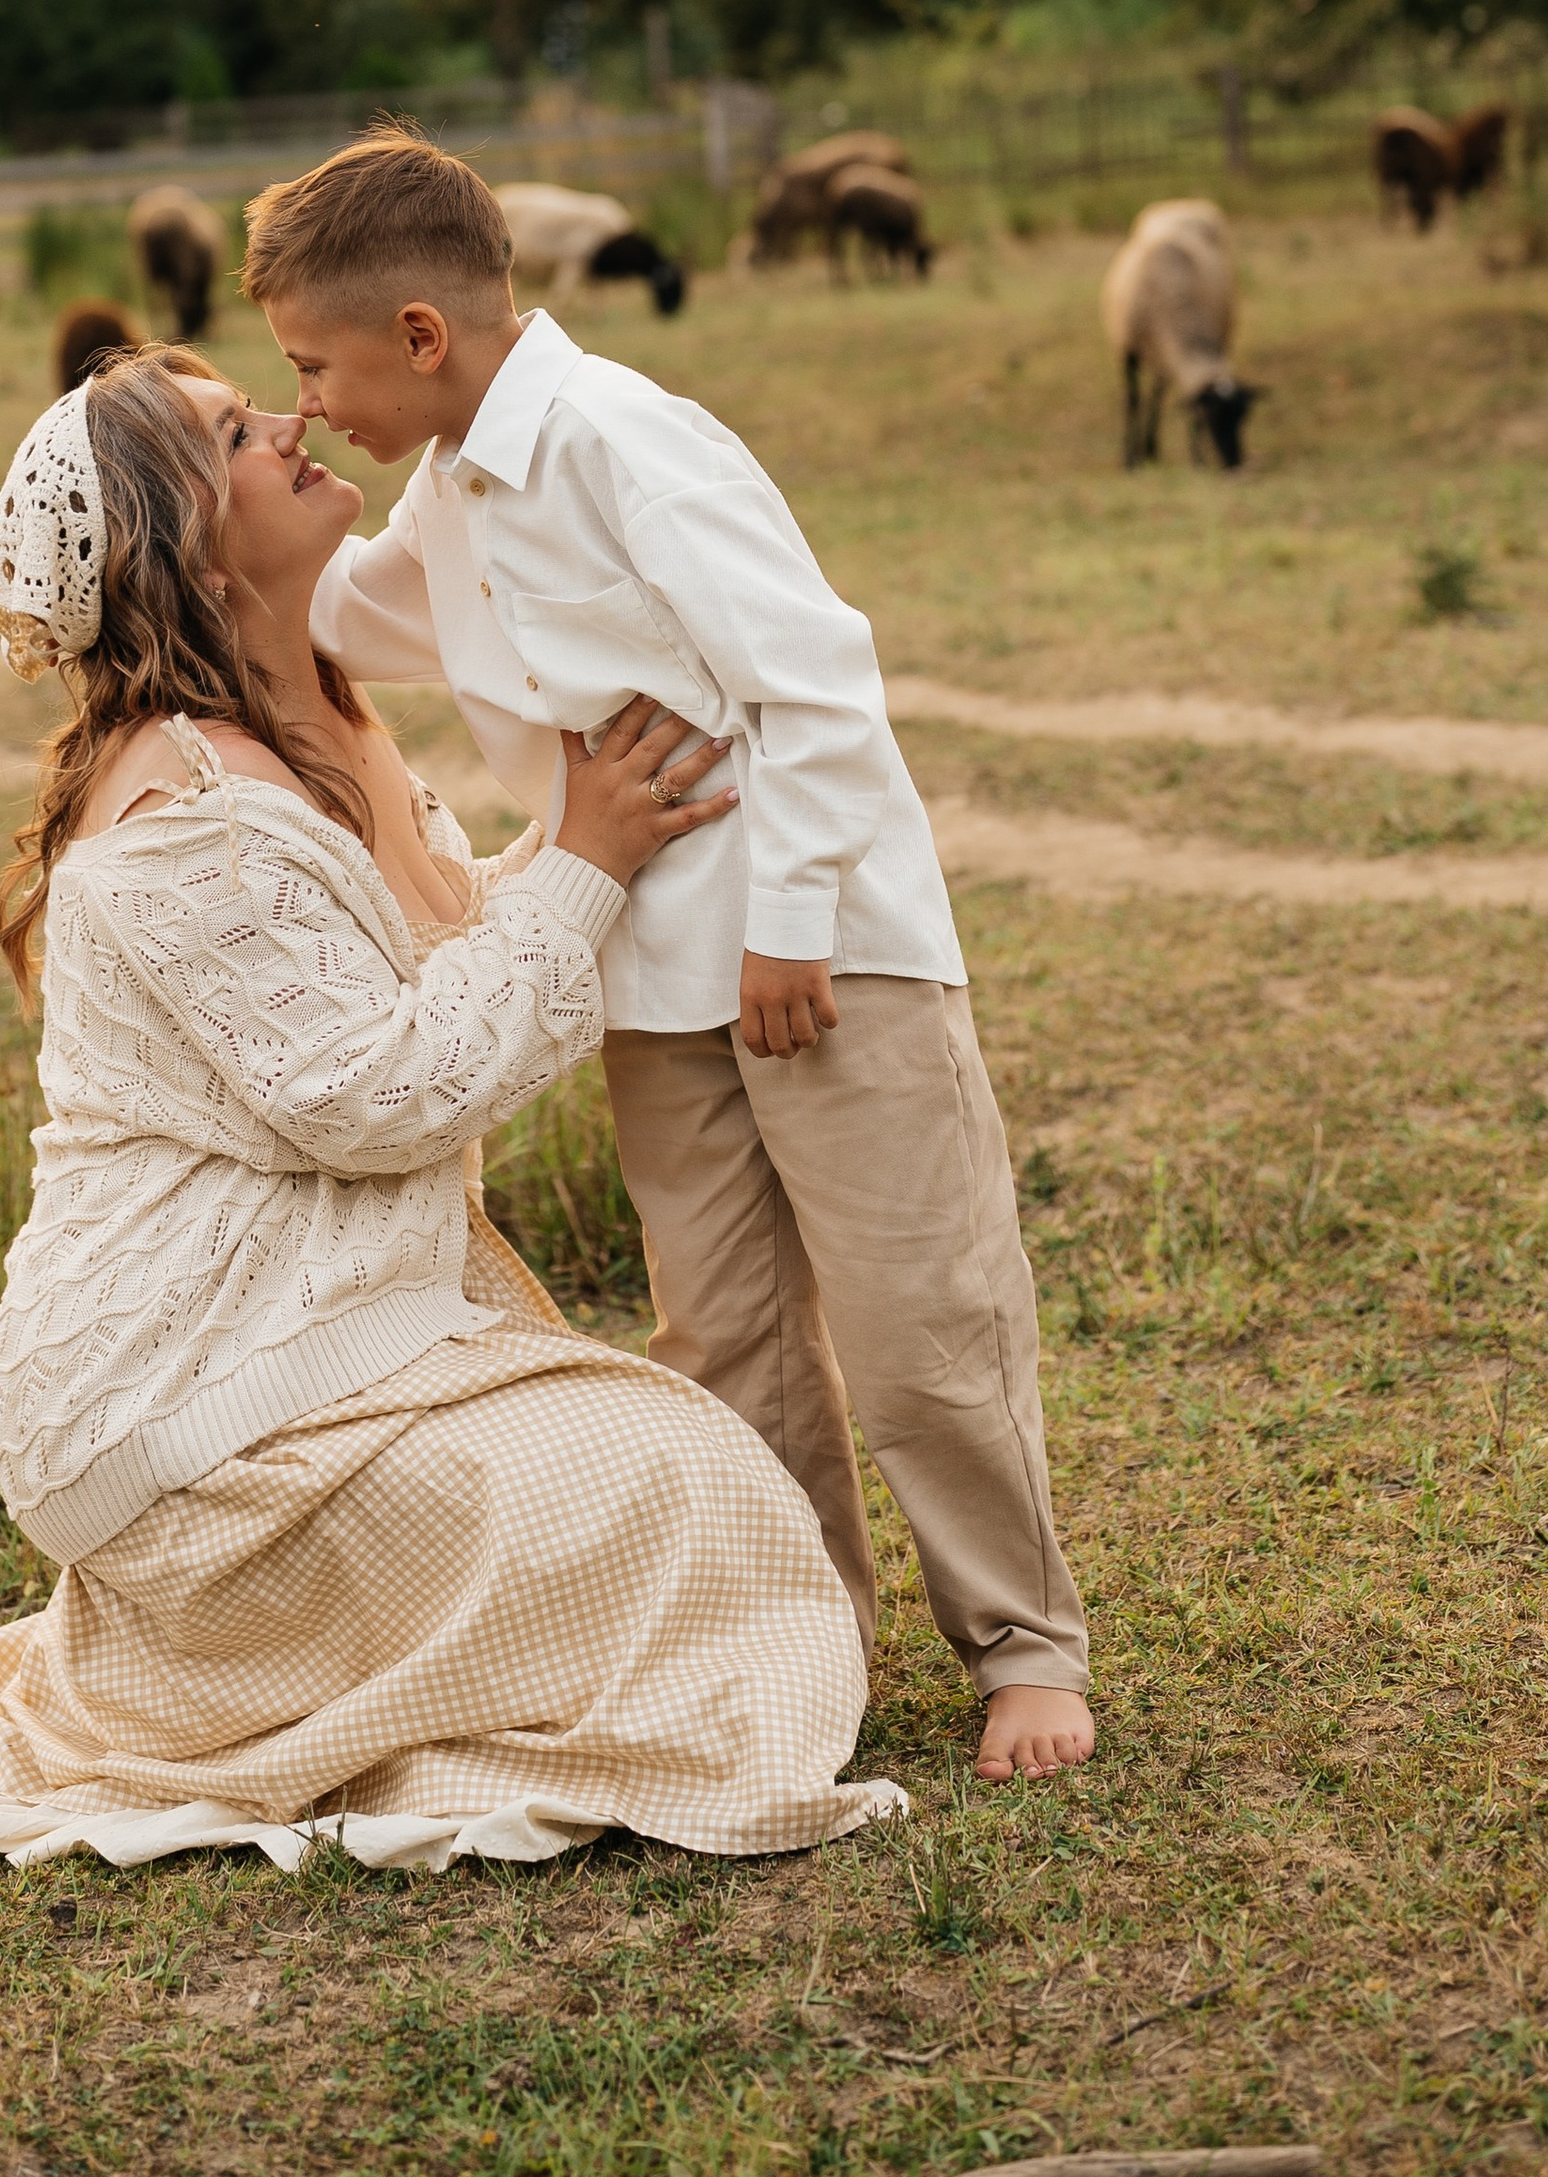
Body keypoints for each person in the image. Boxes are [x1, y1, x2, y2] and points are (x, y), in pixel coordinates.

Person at [0, 347, 905, 1876]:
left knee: (680, 1473)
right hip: (186, 1400)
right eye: (238, 431)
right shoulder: (181, 812)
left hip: (309, 1355)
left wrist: (588, 840)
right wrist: (587, 862)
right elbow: (387, 1091)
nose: (291, 421)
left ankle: (293, 1678)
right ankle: (244, 1682)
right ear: (184, 540)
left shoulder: (315, 730)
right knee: (682, 1482)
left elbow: (412, 959)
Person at [242, 134, 1094, 1786]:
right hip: (650, 970)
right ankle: (803, 1639)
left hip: (818, 951)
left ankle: (1024, 1646)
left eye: (312, 368)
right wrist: (216, 504)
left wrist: (792, 927)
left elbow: (818, 682)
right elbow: (348, 621)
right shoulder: (450, 492)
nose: (308, 403)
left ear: (421, 337)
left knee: (923, 1317)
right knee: (726, 1337)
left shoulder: (628, 440)